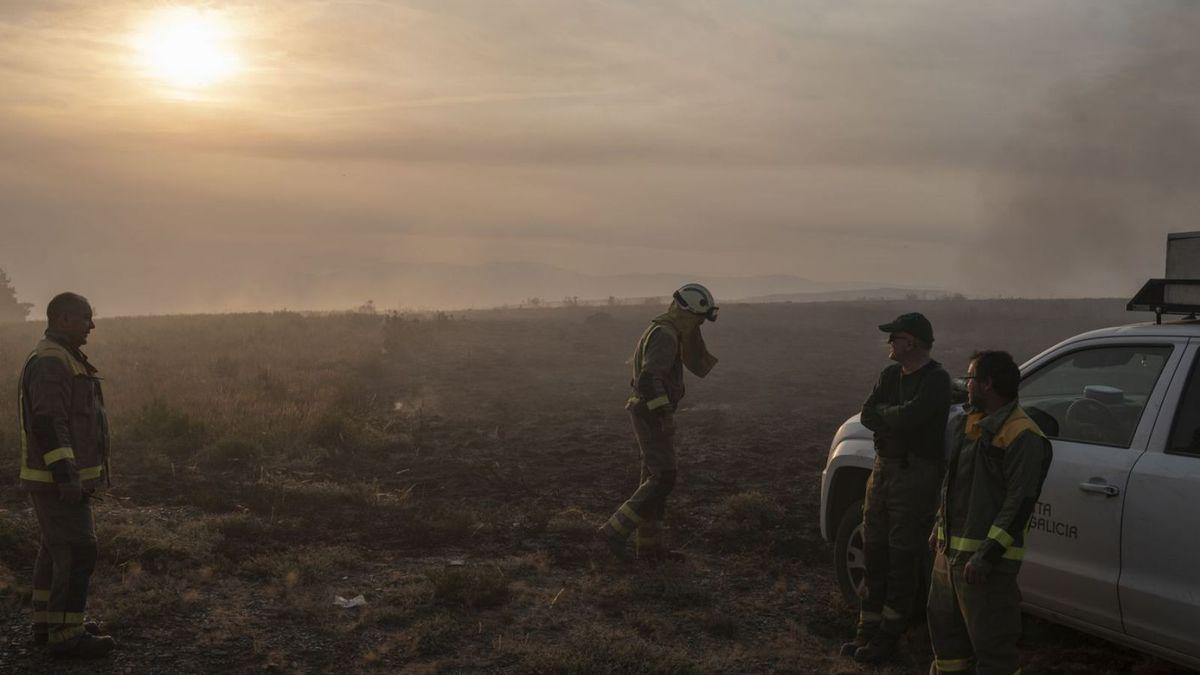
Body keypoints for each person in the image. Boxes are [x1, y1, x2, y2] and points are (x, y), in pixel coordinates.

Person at [927, 350, 1052, 674]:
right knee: (947, 645)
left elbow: (1019, 504)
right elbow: (953, 484)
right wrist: (939, 528)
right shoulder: (970, 424)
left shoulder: (1023, 435)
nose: (965, 385)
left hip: (985, 570)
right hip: (949, 559)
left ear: (987, 384)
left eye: (970, 379)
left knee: (994, 653)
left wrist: (987, 555)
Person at [844, 312, 951, 664]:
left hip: (915, 474)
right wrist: (895, 415)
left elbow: (909, 417)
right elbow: (867, 413)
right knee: (874, 549)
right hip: (884, 470)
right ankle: (867, 631)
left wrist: (890, 416)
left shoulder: (935, 380)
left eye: (895, 337)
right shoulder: (891, 374)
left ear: (914, 342)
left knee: (902, 556)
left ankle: (888, 637)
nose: (890, 343)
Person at [18, 292, 115, 657]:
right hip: (58, 483)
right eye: (85, 318)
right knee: (78, 550)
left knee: (55, 551)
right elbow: (48, 423)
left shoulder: (62, 357)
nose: (91, 325)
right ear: (61, 319)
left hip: (58, 480)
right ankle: (67, 635)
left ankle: (47, 625)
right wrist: (66, 477)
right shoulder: (52, 362)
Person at [598, 283, 719, 562]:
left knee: (652, 477)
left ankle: (649, 548)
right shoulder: (666, 335)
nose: (699, 325)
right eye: (698, 319)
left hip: (646, 411)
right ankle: (613, 532)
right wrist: (664, 415)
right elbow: (649, 379)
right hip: (650, 413)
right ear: (686, 313)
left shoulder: (664, 329)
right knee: (664, 478)